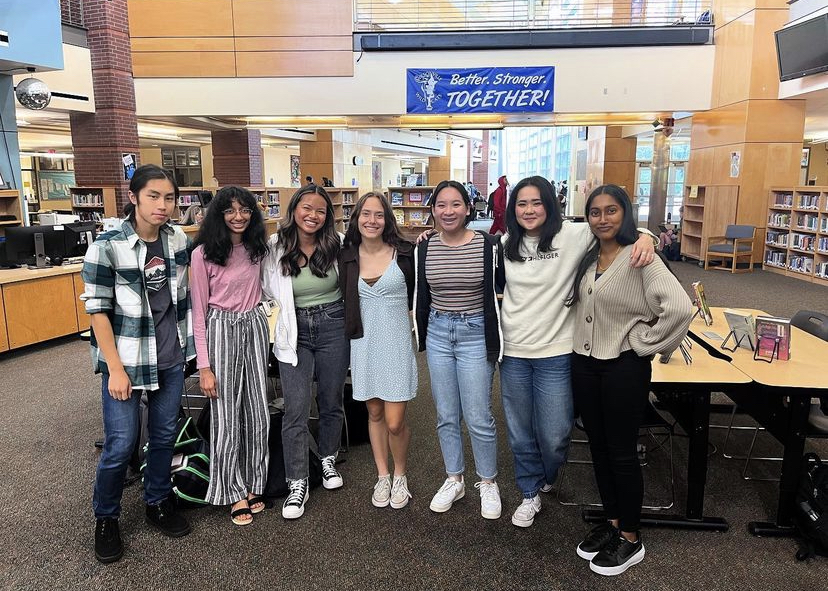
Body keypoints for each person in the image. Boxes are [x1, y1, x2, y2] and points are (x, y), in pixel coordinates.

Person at [498, 176, 655, 529]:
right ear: (513, 209)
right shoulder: (505, 243)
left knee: (555, 435)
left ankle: (548, 474)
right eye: (521, 204)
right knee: (521, 431)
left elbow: (618, 226)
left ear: (550, 205)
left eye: (536, 202)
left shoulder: (574, 235)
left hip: (556, 351)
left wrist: (650, 237)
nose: (529, 210)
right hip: (514, 353)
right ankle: (529, 491)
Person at [566, 184, 693, 576]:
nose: (603, 219)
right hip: (585, 364)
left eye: (611, 211)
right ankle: (615, 522)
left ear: (626, 213)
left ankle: (632, 538)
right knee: (599, 448)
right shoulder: (588, 256)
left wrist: (644, 342)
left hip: (623, 366)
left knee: (621, 452)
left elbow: (680, 309)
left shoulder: (642, 258)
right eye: (595, 212)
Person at [81, 164, 195, 564]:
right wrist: (113, 368)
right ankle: (106, 517)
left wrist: (188, 351)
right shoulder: (107, 245)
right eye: (154, 196)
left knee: (164, 436)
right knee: (120, 445)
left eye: (169, 198)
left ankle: (157, 500)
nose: (163, 206)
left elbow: (181, 301)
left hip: (169, 357)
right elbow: (97, 311)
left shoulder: (177, 238)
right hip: (126, 362)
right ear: (134, 197)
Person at [415, 180, 504, 519]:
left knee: (479, 414)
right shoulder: (425, 246)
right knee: (446, 414)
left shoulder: (489, 245)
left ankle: (488, 481)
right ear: (433, 210)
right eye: (441, 205)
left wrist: (647, 235)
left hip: (475, 332)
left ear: (468, 208)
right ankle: (455, 478)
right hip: (439, 331)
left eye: (455, 205)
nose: (448, 211)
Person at [261, 184, 348, 520]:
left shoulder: (336, 243)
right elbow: (260, 284)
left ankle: (327, 458)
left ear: (328, 216)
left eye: (320, 210)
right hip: (292, 327)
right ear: (294, 209)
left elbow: (376, 246)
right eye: (306, 208)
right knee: (295, 408)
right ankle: (297, 479)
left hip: (333, 324)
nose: (313, 215)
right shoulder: (275, 246)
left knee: (330, 399)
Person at [190, 186, 271, 526]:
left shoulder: (257, 249)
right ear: (219, 215)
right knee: (226, 415)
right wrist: (204, 367)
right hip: (220, 328)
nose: (238, 217)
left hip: (254, 324)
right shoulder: (204, 254)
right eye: (230, 211)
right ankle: (232, 489)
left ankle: (254, 482)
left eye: (245, 210)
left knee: (258, 411)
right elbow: (198, 313)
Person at [339, 192, 417, 509]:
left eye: (379, 215)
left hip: (396, 344)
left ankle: (401, 475)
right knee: (373, 412)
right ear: (357, 218)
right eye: (366, 214)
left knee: (395, 421)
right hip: (363, 344)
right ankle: (382, 474)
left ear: (387, 219)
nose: (372, 220)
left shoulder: (406, 253)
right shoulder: (346, 256)